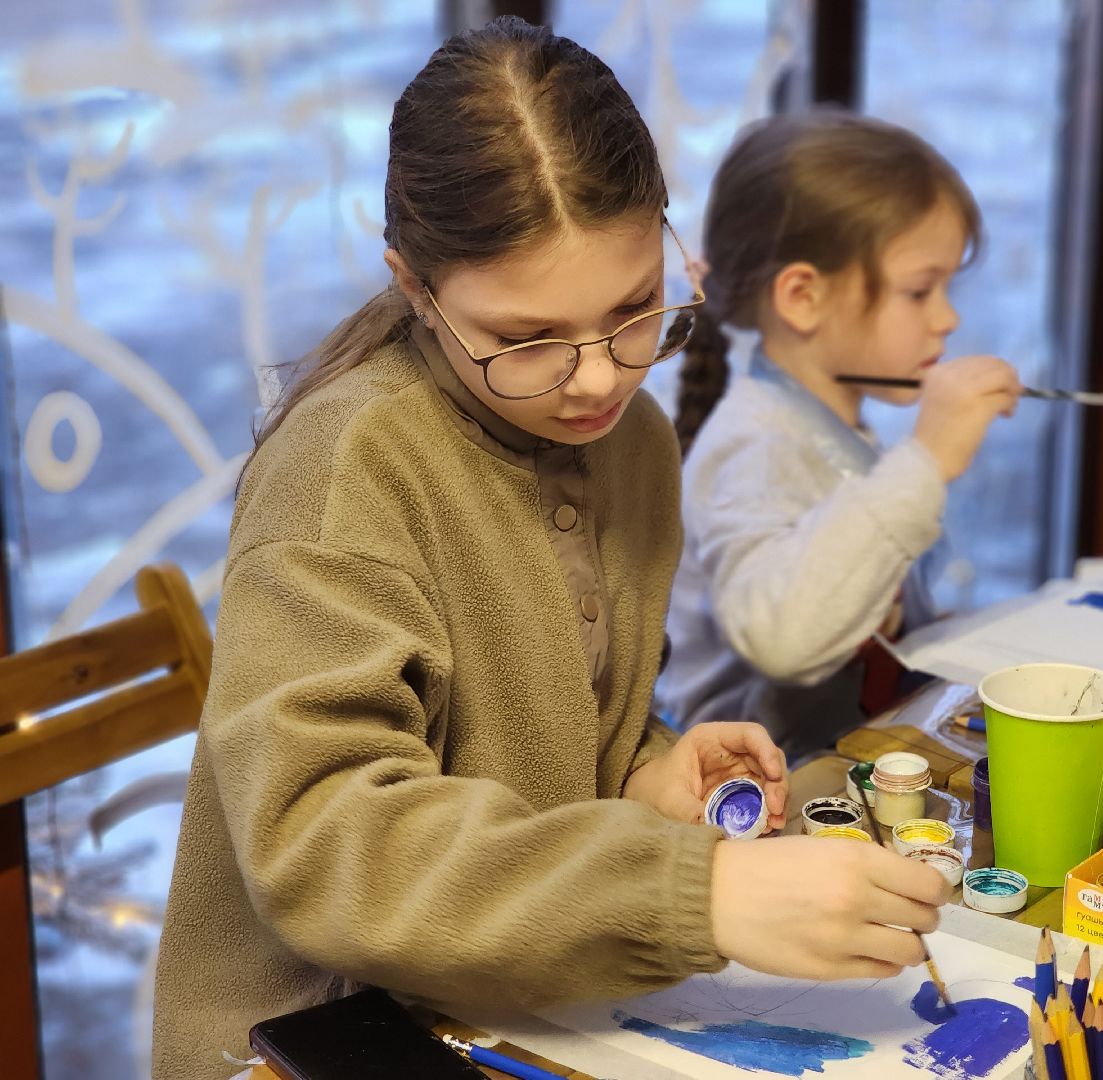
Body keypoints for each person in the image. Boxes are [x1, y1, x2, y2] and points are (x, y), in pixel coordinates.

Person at [152, 21, 948, 1078]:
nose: (596, 381)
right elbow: (329, 844)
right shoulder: (348, 473)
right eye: (527, 340)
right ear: (416, 288)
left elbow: (553, 724)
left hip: (529, 1004)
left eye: (631, 314)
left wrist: (647, 769)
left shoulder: (636, 445)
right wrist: (693, 890)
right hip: (316, 1040)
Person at [661, 112, 1021, 758]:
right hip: (758, 798)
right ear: (802, 296)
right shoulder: (755, 445)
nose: (948, 318)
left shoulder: (827, 424)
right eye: (920, 292)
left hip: (850, 759)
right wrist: (928, 458)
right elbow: (782, 638)